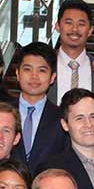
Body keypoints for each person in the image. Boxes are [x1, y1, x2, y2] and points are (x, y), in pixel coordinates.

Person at [12, 42, 66, 170]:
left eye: (41, 70)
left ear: (52, 77)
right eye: (27, 69)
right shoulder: (2, 112)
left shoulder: (62, 118)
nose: (34, 76)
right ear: (17, 74)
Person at [49, 0, 94, 102]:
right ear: (57, 26)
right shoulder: (46, 64)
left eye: (81, 24)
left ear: (90, 30)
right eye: (68, 22)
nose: (74, 29)